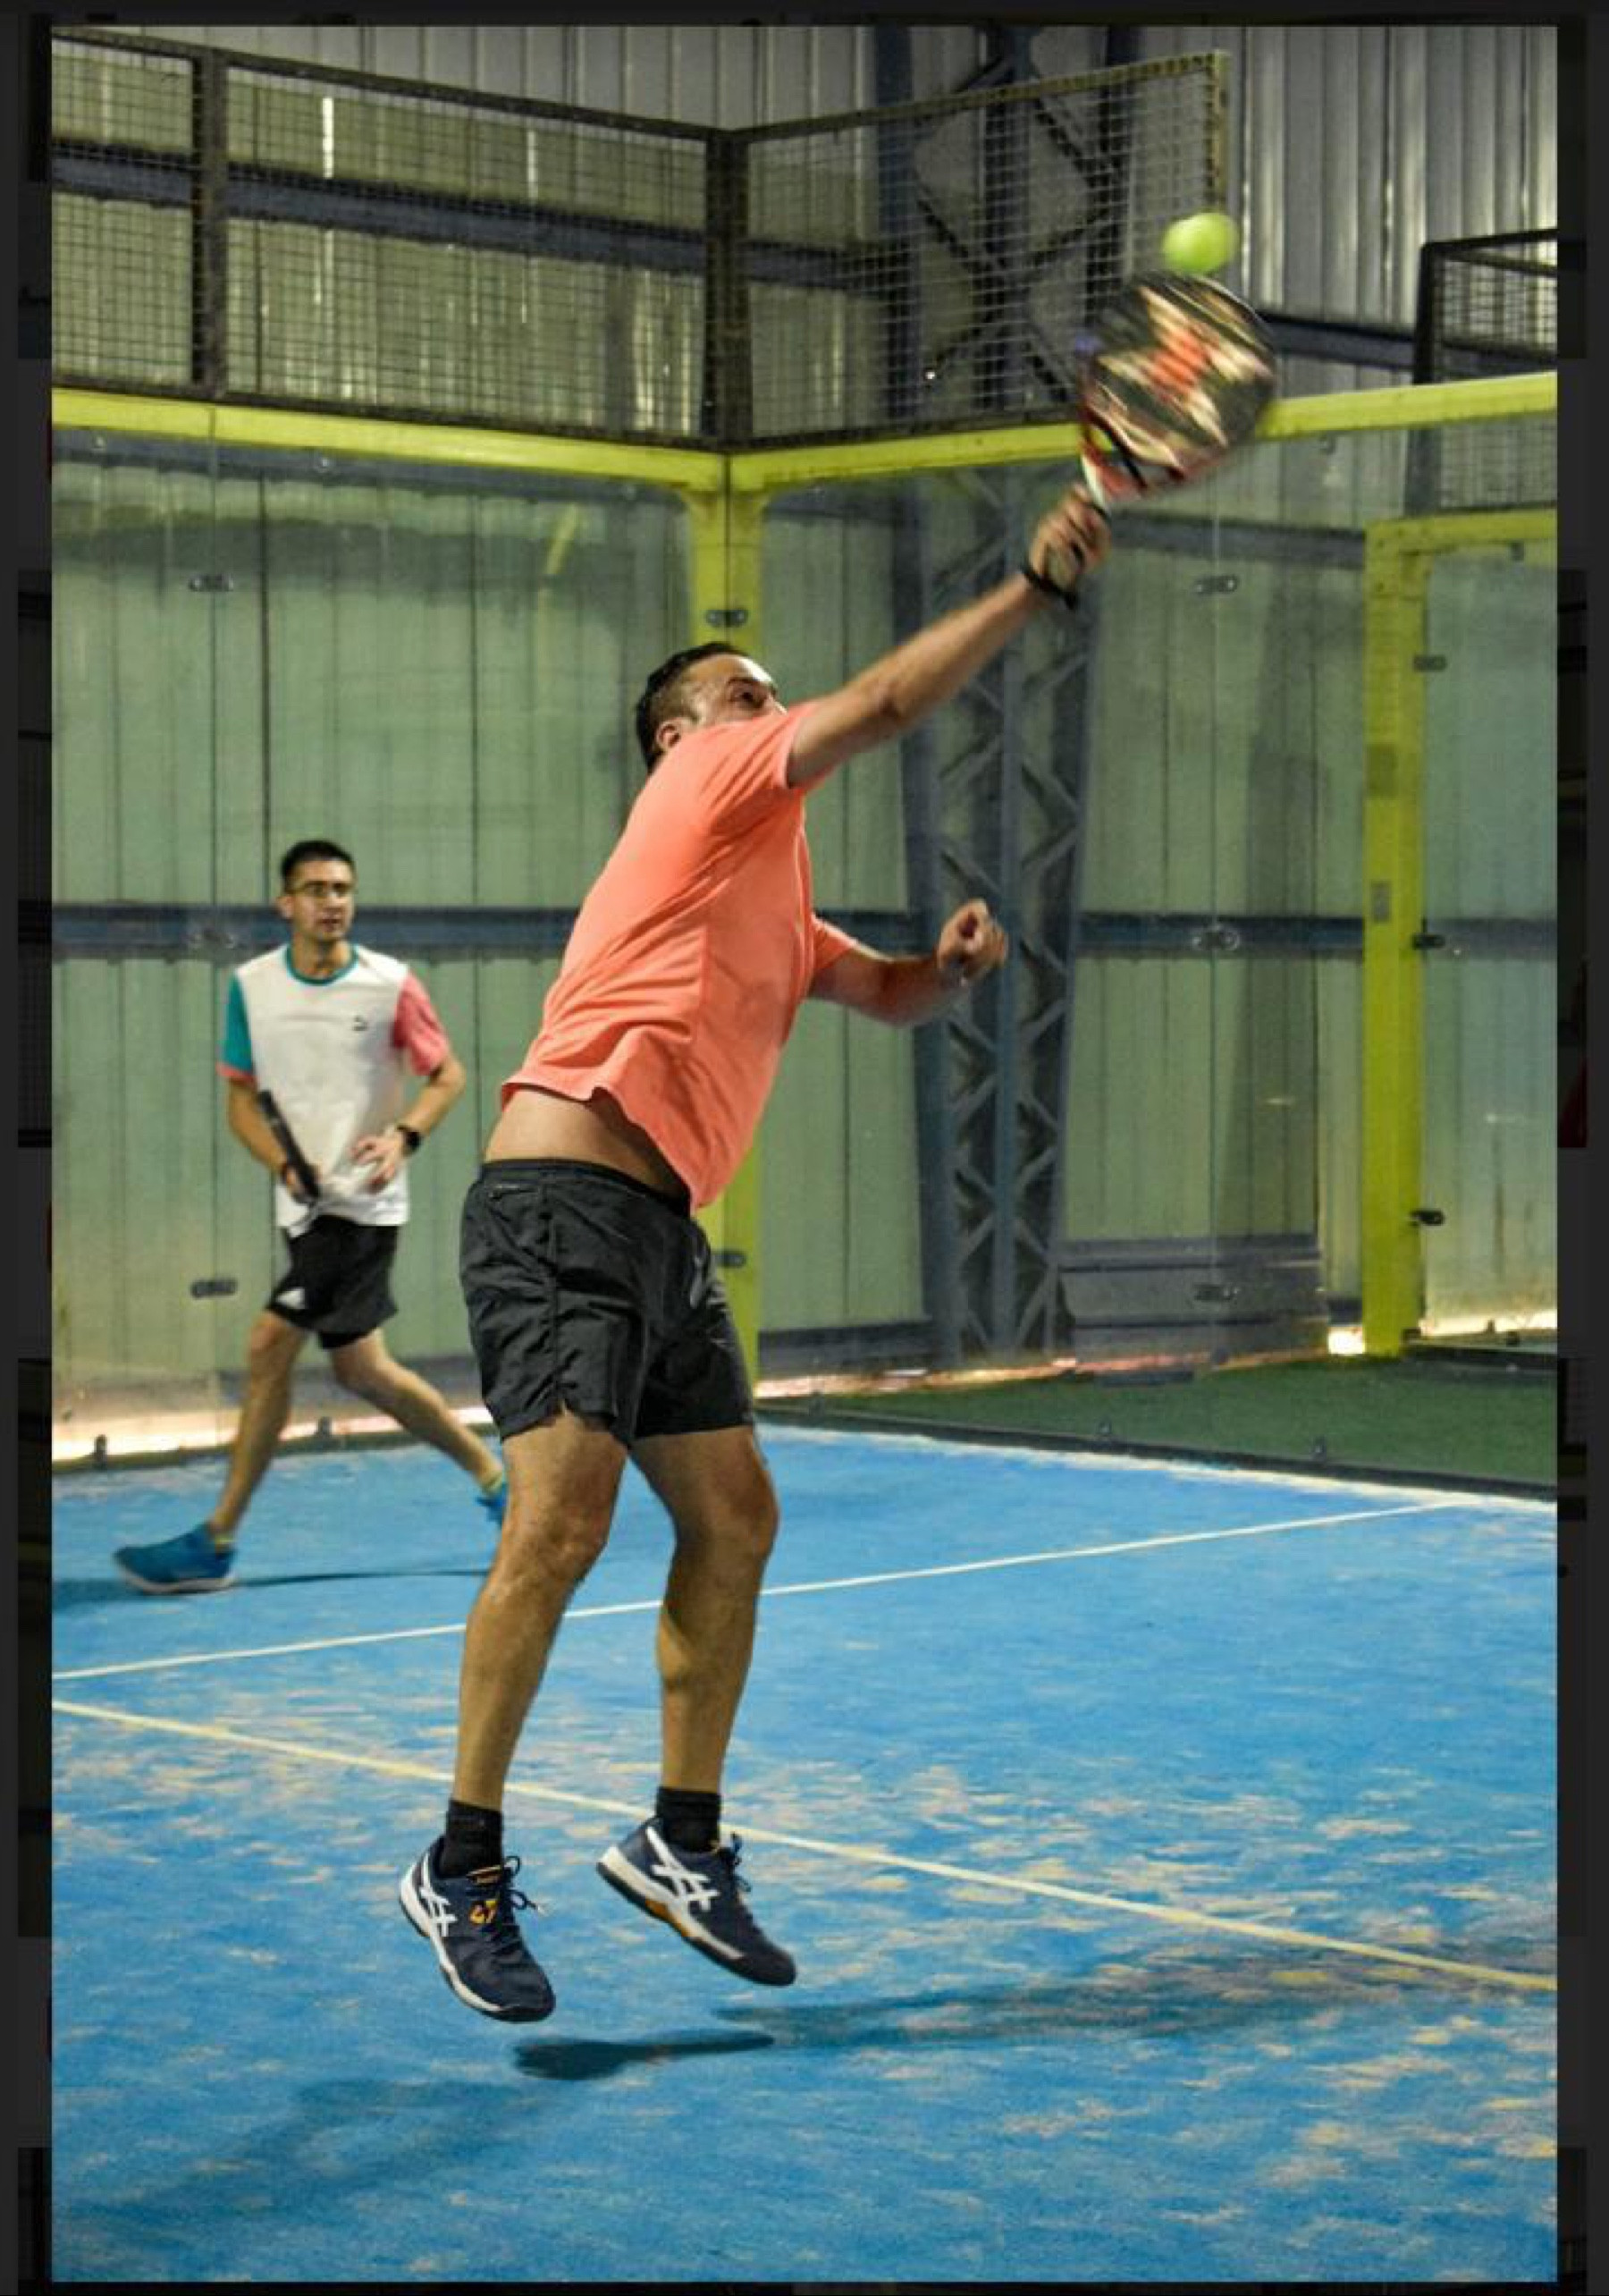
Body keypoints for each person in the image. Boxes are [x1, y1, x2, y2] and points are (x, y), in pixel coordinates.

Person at [399, 486, 1113, 2022]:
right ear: (679, 734)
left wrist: (947, 969)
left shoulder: (767, 891)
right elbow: (891, 700)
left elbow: (884, 991)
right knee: (562, 1525)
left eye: (768, 692)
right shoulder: (708, 780)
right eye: (744, 689)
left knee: (734, 1520)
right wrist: (1032, 587)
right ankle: (458, 1864)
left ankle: (681, 1837)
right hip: (559, 1203)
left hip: (659, 1231)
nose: (769, 701)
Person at [114, 839, 509, 1594]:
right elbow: (241, 1102)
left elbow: (447, 1075)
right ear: (285, 904)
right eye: (317, 889)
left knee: (268, 1345)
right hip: (301, 1207)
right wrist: (283, 1164)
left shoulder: (391, 985)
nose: (333, 902)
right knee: (364, 1371)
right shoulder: (252, 988)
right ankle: (498, 1483)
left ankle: (216, 1540)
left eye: (343, 889)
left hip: (364, 1207)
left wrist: (403, 1137)